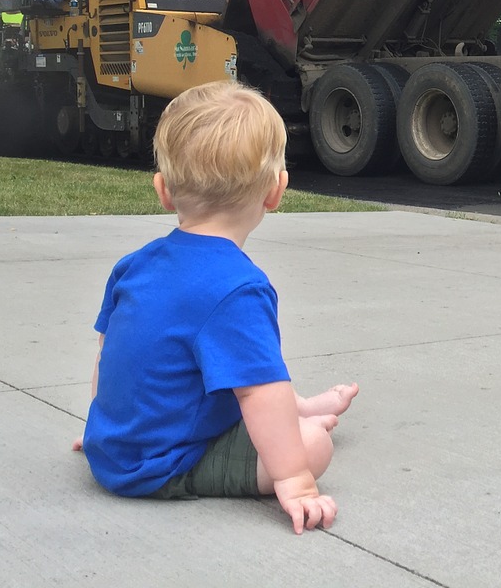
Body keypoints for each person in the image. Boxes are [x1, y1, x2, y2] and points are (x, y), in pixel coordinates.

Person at [73, 81, 359, 533]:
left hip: (113, 448)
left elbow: (109, 355)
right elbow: (258, 391)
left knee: (236, 367)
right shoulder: (239, 288)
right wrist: (295, 480)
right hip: (162, 465)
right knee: (313, 444)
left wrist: (107, 428)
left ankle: (299, 405)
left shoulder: (134, 265)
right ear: (276, 191)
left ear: (163, 190)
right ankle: (298, 418)